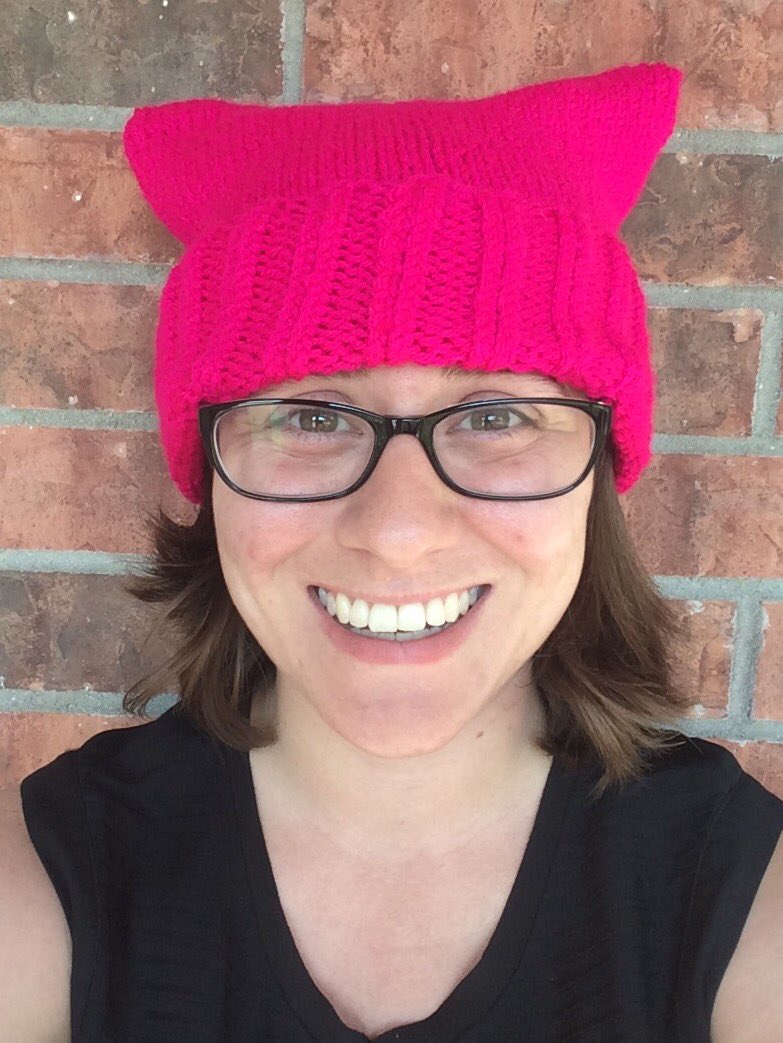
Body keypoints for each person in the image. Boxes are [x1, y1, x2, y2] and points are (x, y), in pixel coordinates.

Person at [3, 61, 782, 1043]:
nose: (399, 530)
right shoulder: (45, 881)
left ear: (599, 467)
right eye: (312, 415)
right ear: (207, 470)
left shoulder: (744, 897)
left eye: (494, 415)